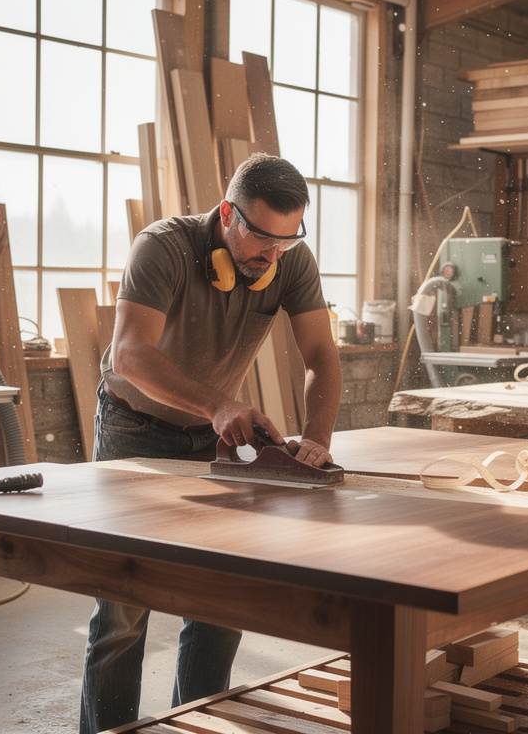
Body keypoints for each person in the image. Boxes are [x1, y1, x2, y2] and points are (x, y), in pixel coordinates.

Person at [79, 153, 341, 734]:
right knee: (124, 603)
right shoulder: (163, 248)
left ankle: (198, 726)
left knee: (221, 601)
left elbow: (321, 356)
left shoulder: (287, 259)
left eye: (289, 240)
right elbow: (129, 354)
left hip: (214, 436)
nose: (274, 254)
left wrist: (317, 439)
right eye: (263, 238)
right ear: (228, 214)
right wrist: (220, 403)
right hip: (134, 430)